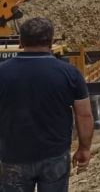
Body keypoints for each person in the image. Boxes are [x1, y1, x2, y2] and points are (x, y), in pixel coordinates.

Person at [0, 17, 94, 191]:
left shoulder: (2, 72)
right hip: (55, 155)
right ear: (51, 41)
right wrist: (84, 148)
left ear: (20, 41)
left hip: (13, 157)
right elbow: (84, 115)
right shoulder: (70, 73)